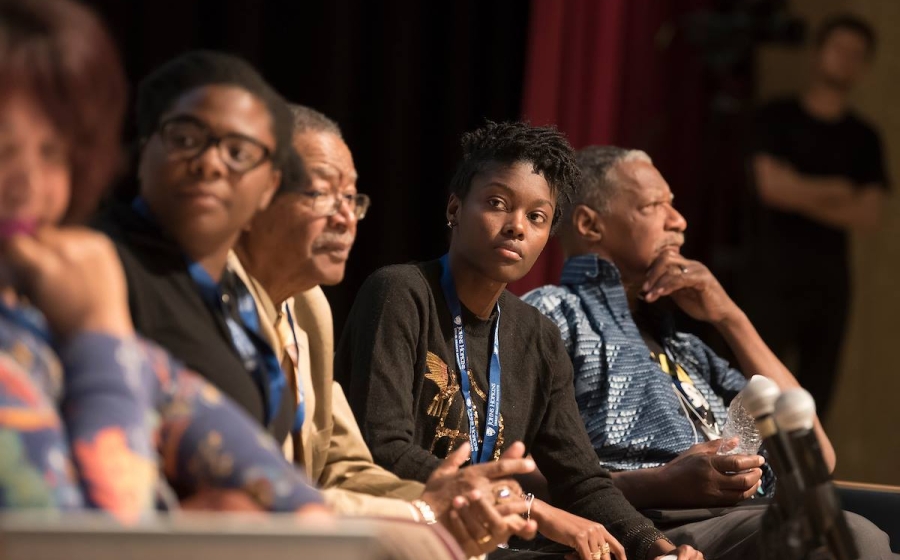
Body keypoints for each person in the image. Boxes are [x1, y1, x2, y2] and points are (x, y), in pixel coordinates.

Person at [0, 0, 324, 518]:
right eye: (2, 148)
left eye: (52, 153)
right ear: (144, 150)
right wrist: (98, 330)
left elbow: (299, 501)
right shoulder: (92, 295)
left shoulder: (46, 310)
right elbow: (97, 544)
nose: (28, 188)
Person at [334, 121, 702, 560]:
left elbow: (581, 480)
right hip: (397, 531)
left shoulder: (537, 336)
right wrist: (527, 507)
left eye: (536, 217)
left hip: (486, 543)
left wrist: (655, 546)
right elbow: (382, 449)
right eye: (496, 203)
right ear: (454, 207)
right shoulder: (399, 294)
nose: (516, 227)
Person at [523, 145, 892, 559]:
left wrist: (730, 317)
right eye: (653, 206)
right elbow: (512, 470)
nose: (678, 221)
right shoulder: (549, 314)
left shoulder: (686, 347)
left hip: (751, 519)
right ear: (591, 224)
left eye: (674, 206)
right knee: (847, 540)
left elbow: (814, 458)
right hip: (645, 524)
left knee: (852, 538)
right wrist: (661, 481)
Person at [233, 105, 538, 556]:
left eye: (352, 199)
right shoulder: (209, 298)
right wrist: (422, 513)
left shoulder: (309, 307)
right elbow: (250, 492)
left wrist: (452, 498)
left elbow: (344, 465)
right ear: (256, 195)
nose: (345, 218)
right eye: (321, 194)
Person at [97, 50, 300, 444]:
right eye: (186, 139)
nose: (209, 163)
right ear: (144, 150)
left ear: (269, 188)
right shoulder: (100, 261)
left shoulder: (235, 293)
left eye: (238, 153)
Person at [745, 13, 888, 417]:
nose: (846, 59)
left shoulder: (864, 138)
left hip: (829, 282)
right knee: (757, 390)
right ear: (818, 53)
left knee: (813, 400)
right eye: (839, 48)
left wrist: (800, 188)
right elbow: (771, 188)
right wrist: (838, 190)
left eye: (857, 54)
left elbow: (868, 215)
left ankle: (799, 480)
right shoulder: (776, 117)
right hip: (771, 274)